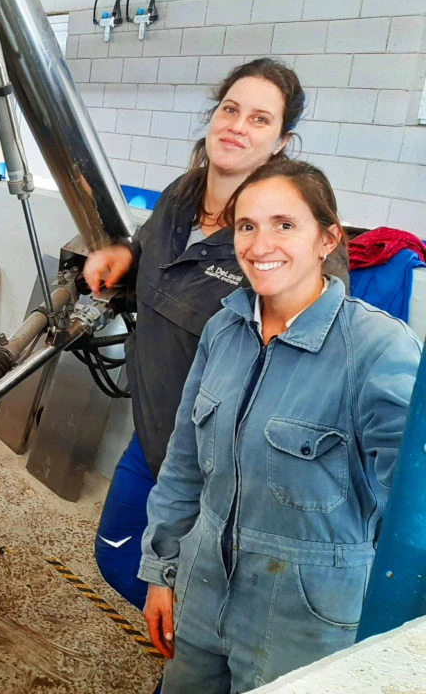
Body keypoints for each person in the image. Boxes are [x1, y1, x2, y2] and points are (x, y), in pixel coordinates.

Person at [139, 159, 422, 692]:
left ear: (327, 238)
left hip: (305, 619)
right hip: (201, 594)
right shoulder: (223, 329)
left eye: (285, 224)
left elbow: (414, 511)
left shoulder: (377, 350)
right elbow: (183, 466)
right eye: (247, 226)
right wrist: (162, 571)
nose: (259, 243)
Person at [85, 58, 347, 611]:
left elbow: (318, 334)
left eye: (259, 119)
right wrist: (123, 254)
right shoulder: (182, 194)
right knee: (118, 557)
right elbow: (148, 243)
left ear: (281, 141)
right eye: (230, 109)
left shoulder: (283, 228)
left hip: (226, 467)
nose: (237, 126)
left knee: (200, 598)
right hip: (157, 437)